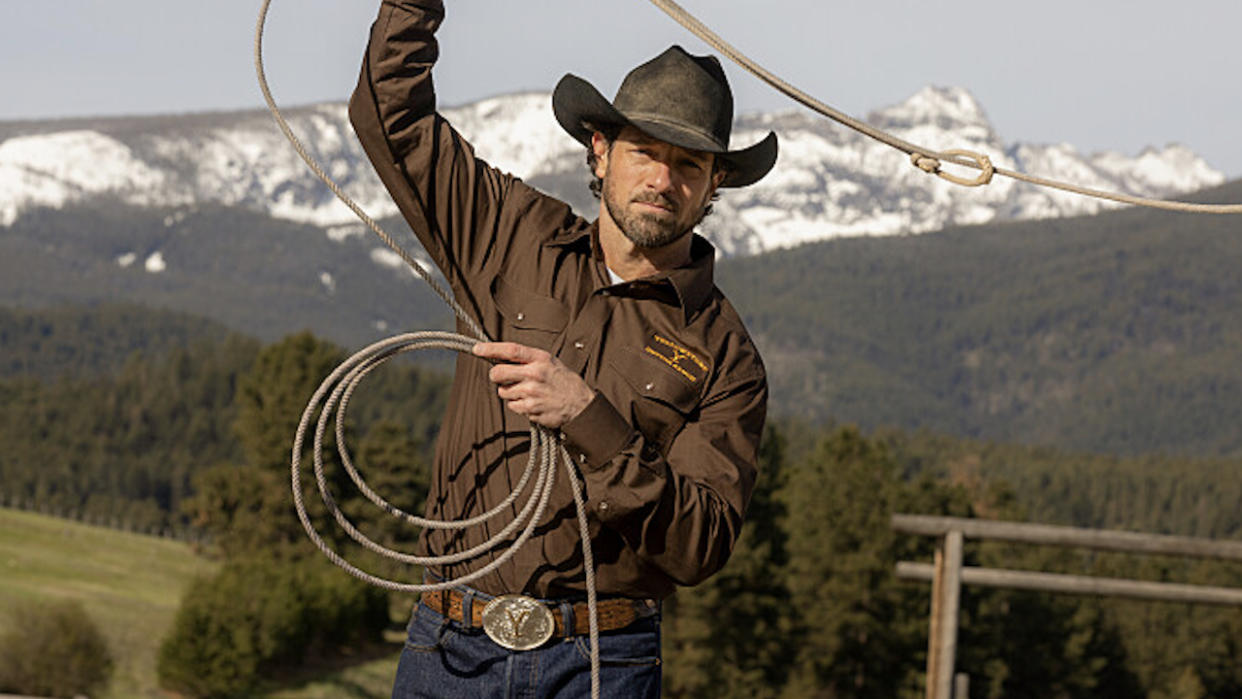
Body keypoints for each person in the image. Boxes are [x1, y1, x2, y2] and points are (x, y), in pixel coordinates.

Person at [349, 1, 777, 696]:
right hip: (451, 644)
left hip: (603, 662)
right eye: (645, 152)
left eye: (687, 164)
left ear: (713, 183)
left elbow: (700, 542)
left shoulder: (725, 354)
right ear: (601, 151)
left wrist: (589, 417)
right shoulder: (511, 233)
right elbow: (389, 114)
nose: (663, 181)